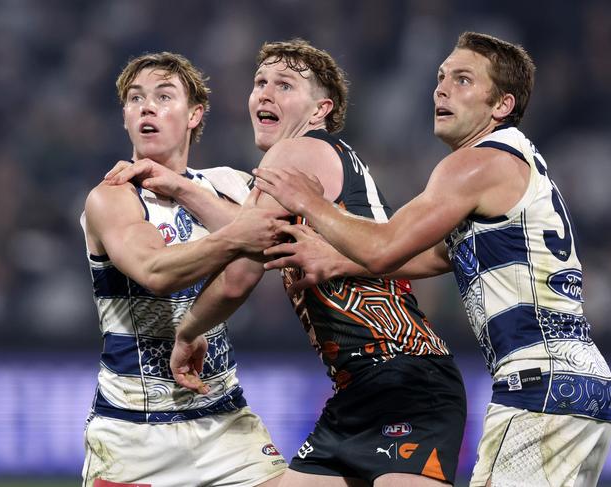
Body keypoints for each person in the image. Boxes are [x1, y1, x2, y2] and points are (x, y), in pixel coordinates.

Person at [254, 32, 611, 487]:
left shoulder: (474, 164)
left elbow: (385, 246)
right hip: (586, 383)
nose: (441, 89)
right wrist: (342, 263)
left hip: (538, 386)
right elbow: (441, 252)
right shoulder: (523, 162)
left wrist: (312, 203)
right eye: (441, 77)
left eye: (463, 80)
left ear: (501, 105)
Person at [170, 39, 467, 487]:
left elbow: (241, 274)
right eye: (260, 83)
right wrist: (181, 188)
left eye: (285, 85)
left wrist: (188, 331)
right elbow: (256, 234)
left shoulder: (294, 155)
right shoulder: (328, 159)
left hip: (403, 382)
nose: (265, 94)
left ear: (319, 109)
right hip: (364, 388)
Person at [80, 51, 288, 487]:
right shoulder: (113, 197)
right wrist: (235, 236)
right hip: (133, 434)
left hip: (223, 420)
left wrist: (181, 187)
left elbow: (279, 244)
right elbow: (156, 271)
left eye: (163, 95)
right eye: (135, 98)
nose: (147, 107)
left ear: (195, 114)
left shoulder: (226, 184)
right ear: (124, 118)